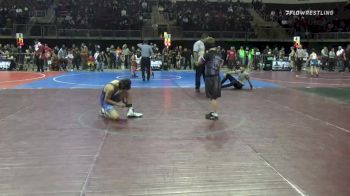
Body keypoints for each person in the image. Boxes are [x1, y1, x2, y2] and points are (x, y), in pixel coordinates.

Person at [198, 37, 223, 120]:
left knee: (213, 97)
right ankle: (214, 112)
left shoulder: (208, 54)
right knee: (214, 97)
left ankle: (215, 114)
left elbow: (199, 62)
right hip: (217, 77)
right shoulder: (219, 54)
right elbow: (220, 64)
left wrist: (201, 54)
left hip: (210, 78)